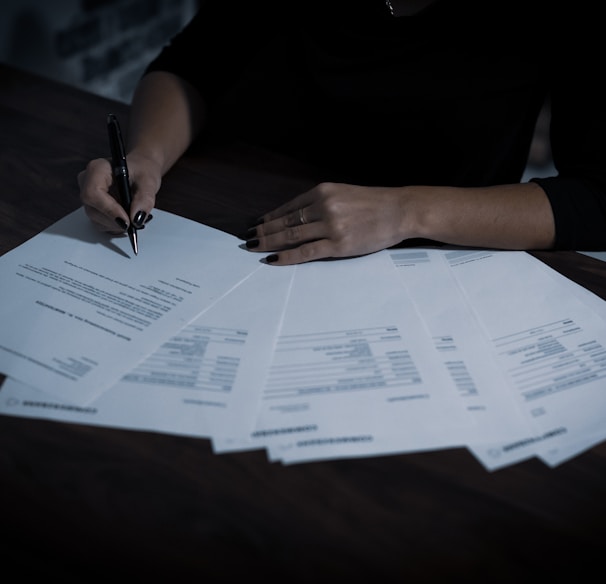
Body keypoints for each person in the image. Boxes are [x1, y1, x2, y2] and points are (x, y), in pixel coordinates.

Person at [78, 0, 606, 266]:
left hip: (437, 256)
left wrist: (407, 211)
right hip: (236, 220)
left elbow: (598, 198)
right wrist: (146, 155)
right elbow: (194, 63)